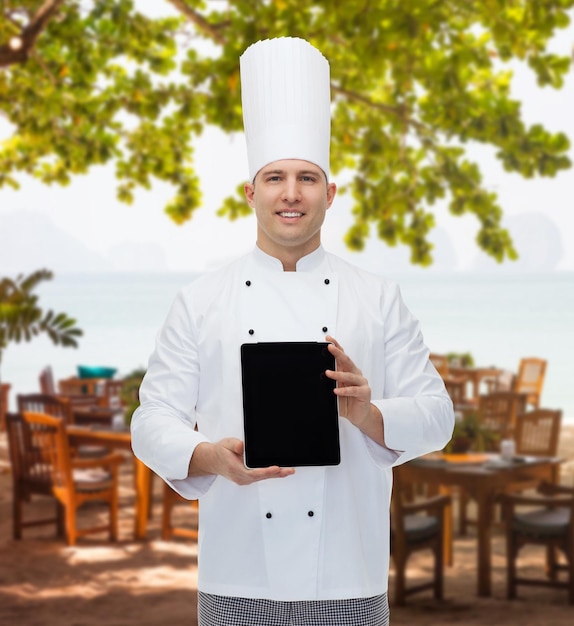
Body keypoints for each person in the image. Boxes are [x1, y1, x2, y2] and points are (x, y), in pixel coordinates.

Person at [131, 37, 454, 626]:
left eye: (307, 178)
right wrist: (207, 455)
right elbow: (150, 421)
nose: (291, 193)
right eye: (275, 177)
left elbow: (438, 415)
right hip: (237, 572)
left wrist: (368, 414)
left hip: (349, 577)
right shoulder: (200, 300)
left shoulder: (378, 297)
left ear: (330, 195)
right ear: (250, 193)